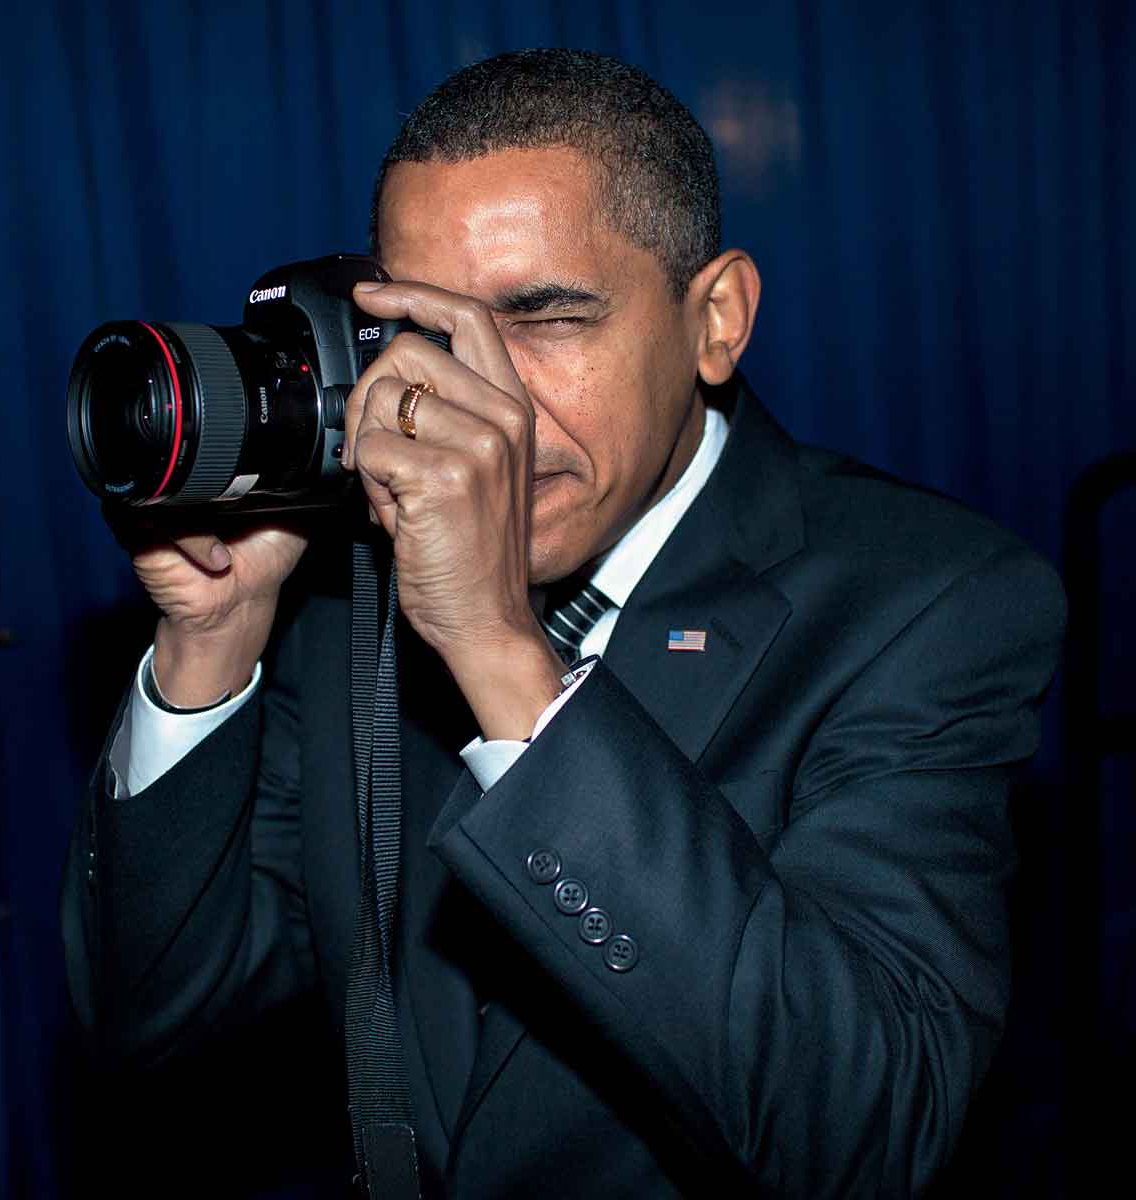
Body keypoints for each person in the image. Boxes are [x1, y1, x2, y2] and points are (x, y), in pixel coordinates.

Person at [64, 49, 1065, 1198]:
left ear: (716, 320)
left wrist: (499, 652)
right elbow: (150, 1022)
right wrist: (212, 641)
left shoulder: (928, 599)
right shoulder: (347, 590)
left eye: (541, 319)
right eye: (425, 335)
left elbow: (864, 1130)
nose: (473, 401)